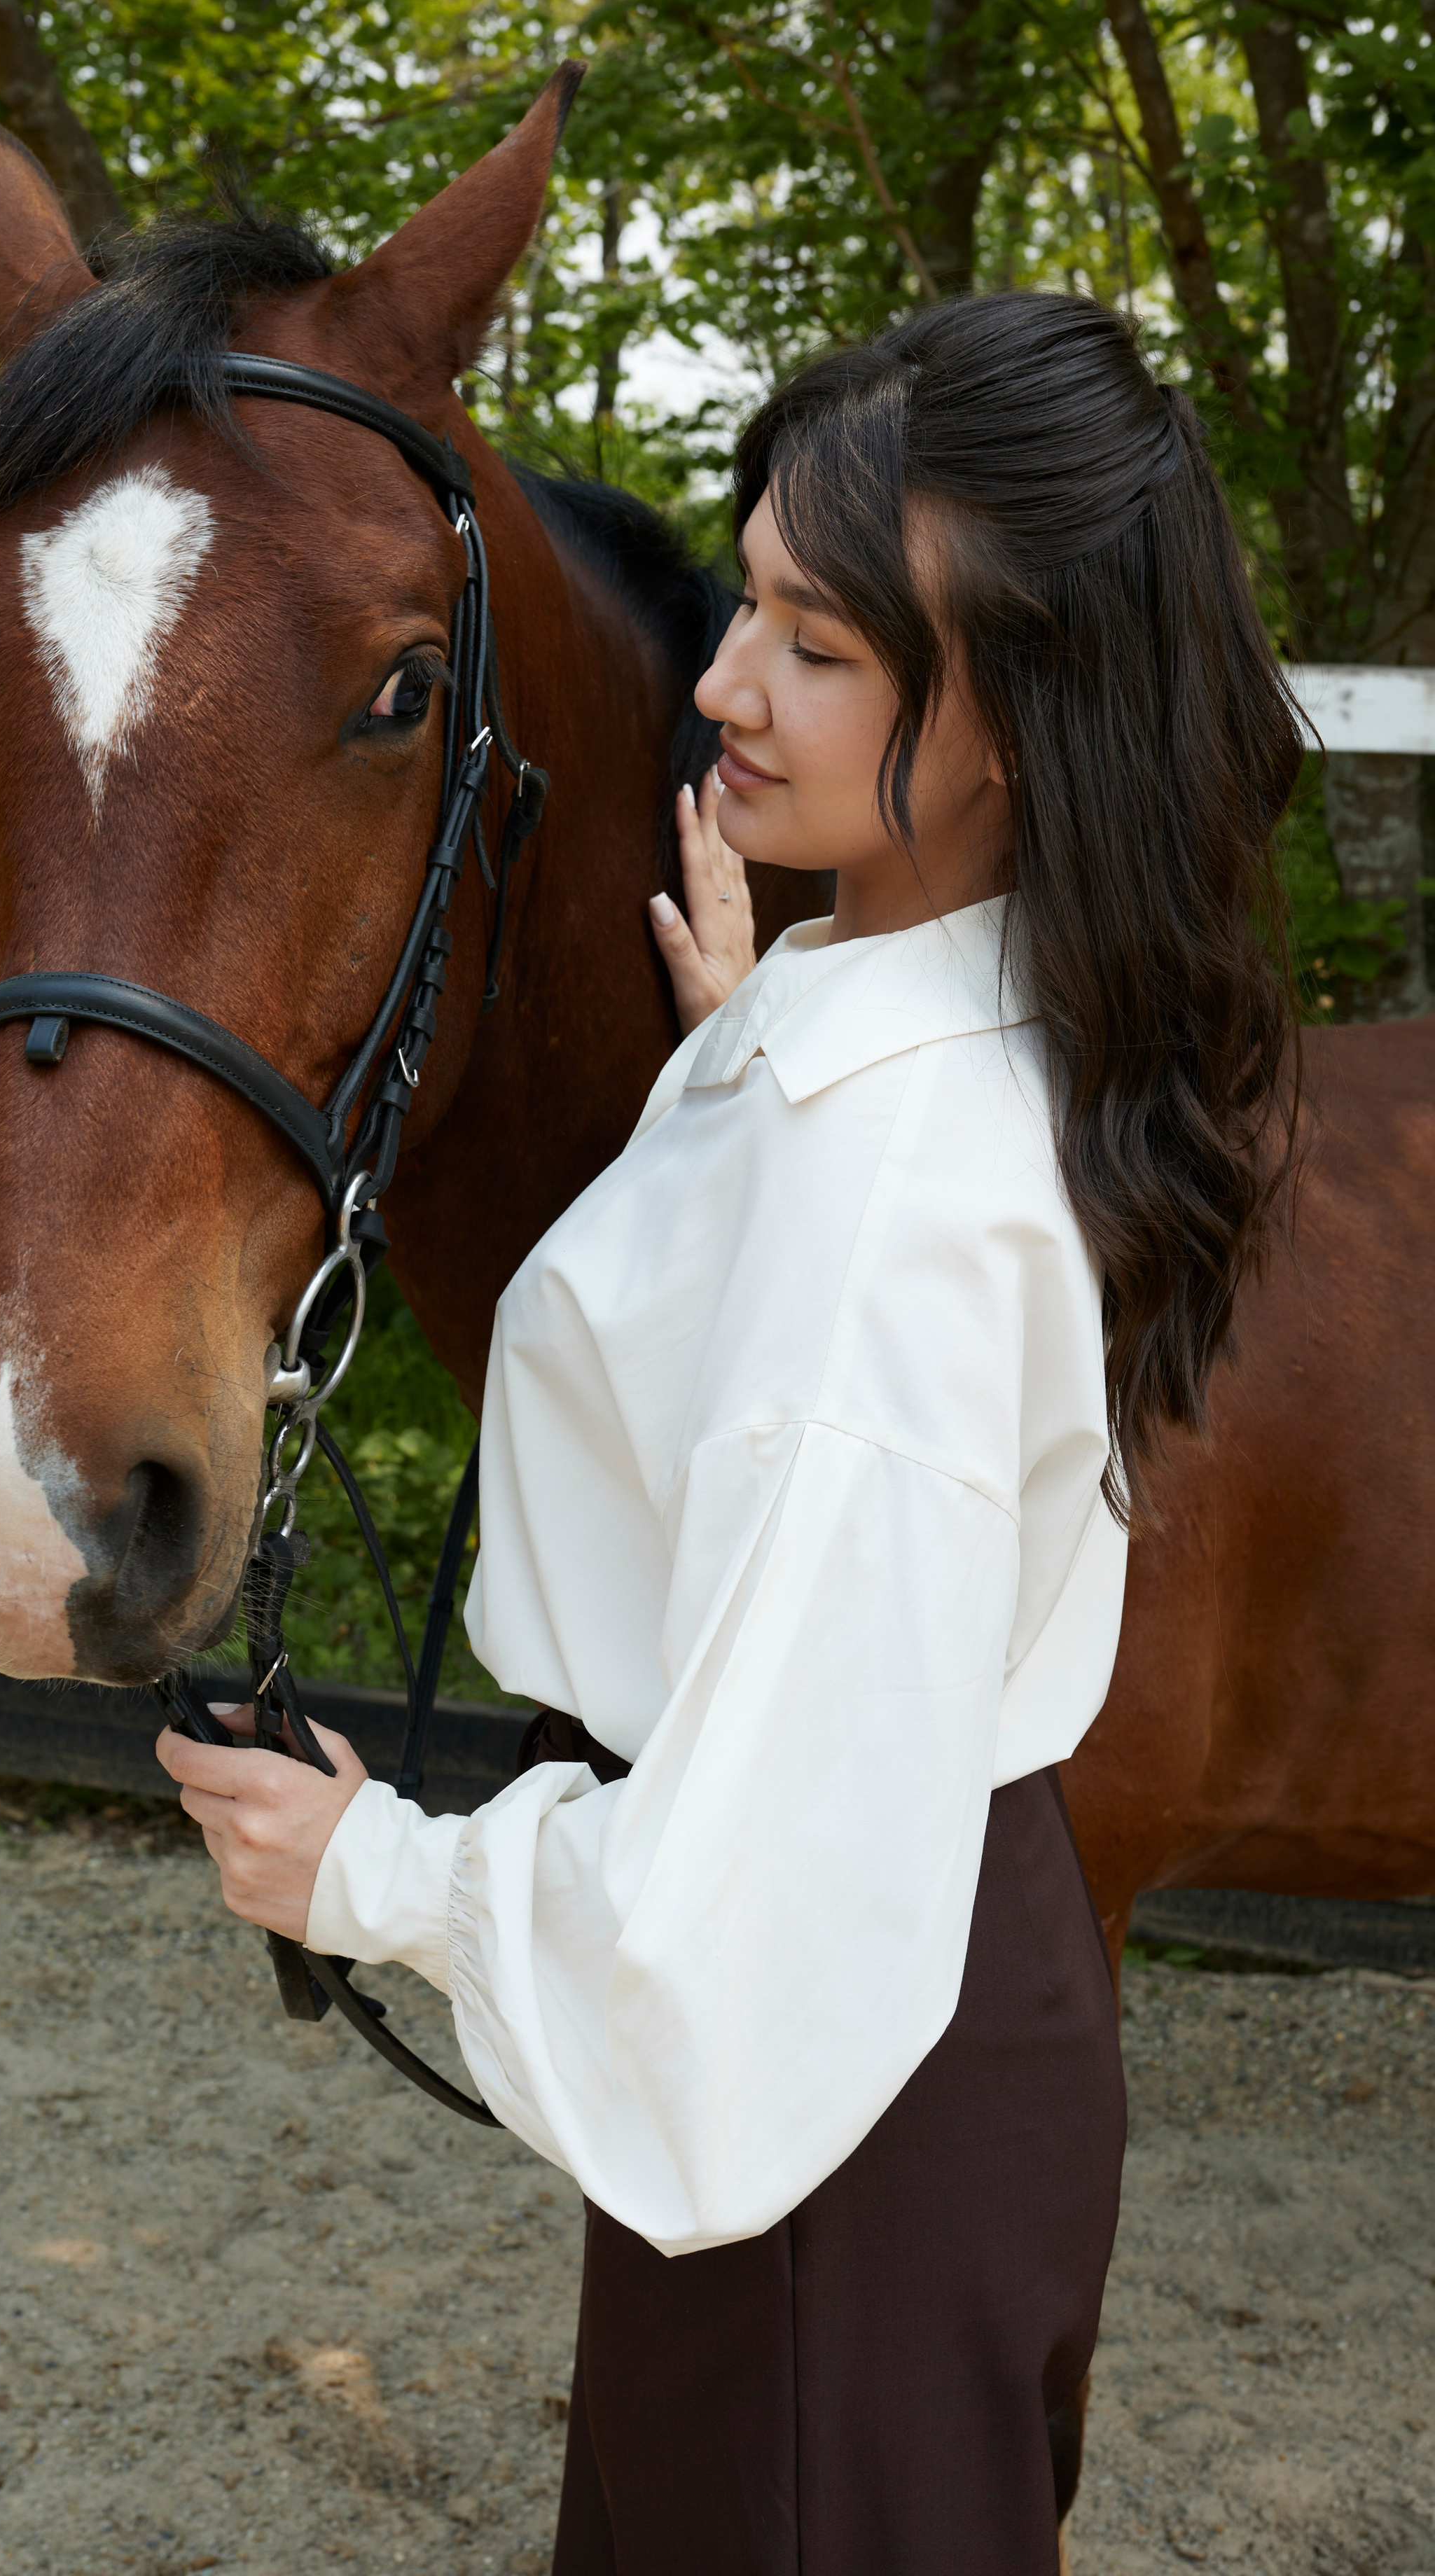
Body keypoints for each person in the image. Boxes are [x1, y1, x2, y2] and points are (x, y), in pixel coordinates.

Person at [158, 289, 1302, 2572]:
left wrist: (369, 1872)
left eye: (816, 645)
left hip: (827, 2081)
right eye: (746, 601)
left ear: (1009, 724)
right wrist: (747, 1053)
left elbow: (745, 1901)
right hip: (927, 2012)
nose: (718, 685)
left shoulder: (896, 1188)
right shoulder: (962, 1019)